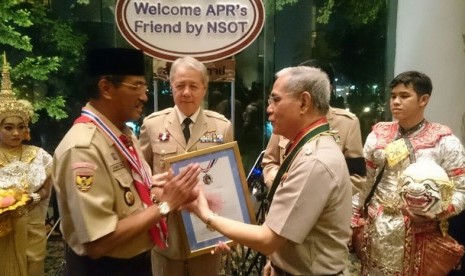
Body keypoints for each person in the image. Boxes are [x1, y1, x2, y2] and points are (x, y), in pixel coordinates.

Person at [188, 66, 353, 275]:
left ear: (304, 102)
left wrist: (206, 215)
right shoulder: (306, 147)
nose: (269, 109)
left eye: (276, 100)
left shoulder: (315, 161)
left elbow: (268, 239)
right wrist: (276, 261)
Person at [52, 48, 201, 276]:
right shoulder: (84, 149)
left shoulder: (124, 136)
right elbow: (98, 243)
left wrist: (155, 188)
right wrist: (166, 204)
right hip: (104, 269)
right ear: (106, 88)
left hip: (137, 263)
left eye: (145, 87)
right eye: (136, 87)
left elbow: (129, 202)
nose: (144, 96)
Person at [351, 71, 465, 275]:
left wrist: (439, 212)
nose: (395, 102)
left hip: (420, 233)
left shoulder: (443, 140)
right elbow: (365, 184)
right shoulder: (378, 134)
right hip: (376, 228)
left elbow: (461, 188)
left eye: (404, 96)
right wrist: (353, 218)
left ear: (424, 100)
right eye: (393, 96)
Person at [139, 56, 233, 276]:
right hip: (166, 233)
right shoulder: (152, 125)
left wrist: (226, 233)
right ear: (171, 87)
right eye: (180, 85)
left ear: (204, 88)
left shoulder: (222, 126)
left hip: (207, 232)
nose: (186, 92)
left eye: (193, 85)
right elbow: (141, 178)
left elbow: (229, 184)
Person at [262, 59, 365, 195]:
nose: (270, 109)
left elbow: (357, 178)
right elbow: (269, 162)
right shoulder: (285, 121)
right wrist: (280, 182)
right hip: (283, 199)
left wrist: (315, 193)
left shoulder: (347, 123)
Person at [0, 54, 53, 276]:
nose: (16, 133)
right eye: (9, 127)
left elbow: (47, 186)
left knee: (33, 268)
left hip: (32, 229)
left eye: (21, 127)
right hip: (2, 231)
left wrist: (33, 198)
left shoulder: (38, 155)